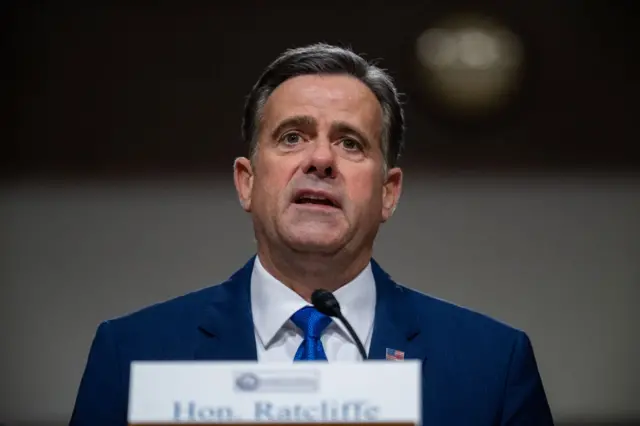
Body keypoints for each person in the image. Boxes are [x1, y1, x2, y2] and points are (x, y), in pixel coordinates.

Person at [69, 43, 554, 426]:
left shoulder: (492, 366)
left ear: (388, 193)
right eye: (292, 137)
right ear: (248, 181)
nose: (320, 160)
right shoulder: (133, 354)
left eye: (350, 142)